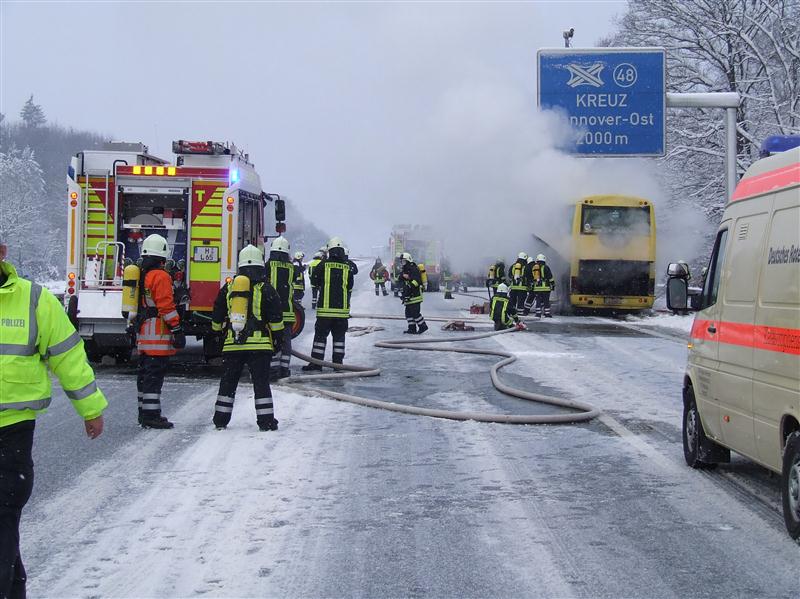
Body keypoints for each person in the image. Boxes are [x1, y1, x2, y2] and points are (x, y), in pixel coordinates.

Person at [0, 237, 107, 598]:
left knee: (3, 517)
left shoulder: (34, 300)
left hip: (11, 433)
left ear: (2, 253)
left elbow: (67, 355)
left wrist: (90, 409)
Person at [210, 245, 284, 431]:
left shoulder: (228, 288)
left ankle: (221, 420)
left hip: (232, 345)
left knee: (228, 384)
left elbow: (217, 316)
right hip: (259, 347)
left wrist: (219, 335)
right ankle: (266, 422)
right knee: (261, 385)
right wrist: (277, 339)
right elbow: (276, 319)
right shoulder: (266, 289)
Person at [136, 234, 185, 428]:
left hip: (144, 335)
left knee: (144, 376)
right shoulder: (161, 276)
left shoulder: (142, 275)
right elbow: (166, 307)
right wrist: (177, 328)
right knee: (154, 378)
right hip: (158, 335)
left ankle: (144, 413)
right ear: (163, 256)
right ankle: (151, 416)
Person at [302, 237, 354, 371]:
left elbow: (314, 281)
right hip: (341, 313)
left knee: (320, 338)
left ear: (330, 251)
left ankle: (316, 363)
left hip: (325, 312)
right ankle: (338, 364)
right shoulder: (347, 267)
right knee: (339, 339)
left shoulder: (323, 264)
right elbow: (349, 287)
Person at [266, 236, 297, 379]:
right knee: (286, 343)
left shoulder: (268, 266)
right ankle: (284, 370)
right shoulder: (292, 268)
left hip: (272, 312)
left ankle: (272, 371)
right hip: (288, 312)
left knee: (273, 342)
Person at [400, 252, 428, 334]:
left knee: (415, 313)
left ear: (408, 260)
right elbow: (400, 278)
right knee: (408, 313)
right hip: (408, 295)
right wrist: (403, 276)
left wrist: (410, 286)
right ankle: (412, 328)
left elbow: (417, 281)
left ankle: (423, 326)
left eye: (404, 261)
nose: (402, 263)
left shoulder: (413, 269)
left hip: (415, 295)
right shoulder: (405, 269)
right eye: (402, 261)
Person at [532, 254, 556, 318]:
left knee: (538, 301)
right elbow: (550, 277)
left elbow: (533, 277)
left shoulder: (534, 267)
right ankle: (547, 314)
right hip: (546, 288)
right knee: (546, 301)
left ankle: (538, 314)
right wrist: (553, 284)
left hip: (537, 288)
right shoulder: (546, 267)